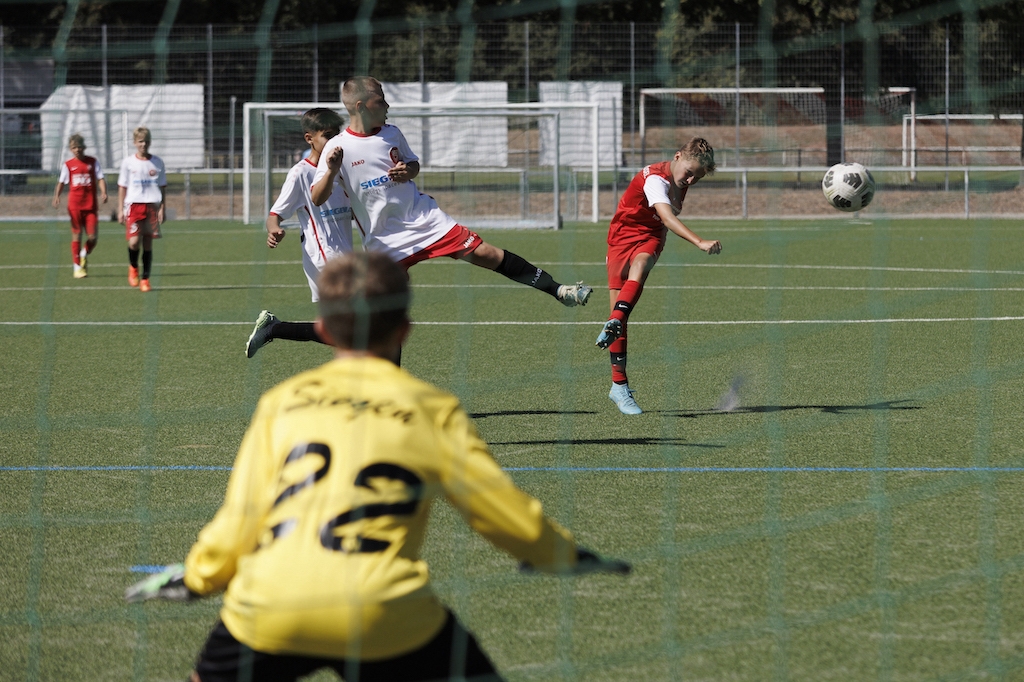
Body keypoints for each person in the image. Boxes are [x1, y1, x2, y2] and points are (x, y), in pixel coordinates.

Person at [126, 251, 629, 682]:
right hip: (382, 613)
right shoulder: (432, 409)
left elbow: (241, 515)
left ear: (324, 329)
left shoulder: (282, 402)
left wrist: (198, 578)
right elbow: (499, 511)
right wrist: (557, 554)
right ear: (405, 330)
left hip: (270, 607)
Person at [309, 76, 592, 307]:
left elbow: (413, 164)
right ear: (360, 106)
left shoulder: (391, 133)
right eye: (380, 100)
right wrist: (332, 171)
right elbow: (317, 198)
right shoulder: (337, 148)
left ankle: (558, 290)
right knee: (386, 311)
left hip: (424, 219)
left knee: (486, 253)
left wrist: (408, 171)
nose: (387, 105)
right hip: (384, 239)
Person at [595, 138, 723, 415]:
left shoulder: (680, 179)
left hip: (651, 237)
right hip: (621, 238)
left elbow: (660, 223)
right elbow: (666, 217)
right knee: (619, 314)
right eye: (689, 172)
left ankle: (616, 320)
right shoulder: (655, 179)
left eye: (697, 178)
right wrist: (699, 241)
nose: (690, 180)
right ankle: (618, 386)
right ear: (677, 156)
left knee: (641, 265)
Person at [245, 108, 353, 359]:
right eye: (328, 136)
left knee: (344, 333)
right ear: (309, 139)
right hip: (323, 256)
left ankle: (273, 328)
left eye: (337, 135)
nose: (335, 141)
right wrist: (274, 230)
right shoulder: (301, 173)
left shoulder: (343, 167)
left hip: (346, 254)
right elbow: (275, 215)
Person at [52, 133, 108, 279]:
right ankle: (77, 267)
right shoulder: (68, 165)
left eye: (79, 147)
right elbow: (61, 182)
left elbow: (100, 178)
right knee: (77, 234)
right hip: (75, 206)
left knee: (93, 237)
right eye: (74, 147)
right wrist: (57, 196)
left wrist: (103, 192)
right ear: (71, 149)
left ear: (84, 147)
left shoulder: (92, 162)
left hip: (90, 206)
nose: (77, 150)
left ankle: (83, 254)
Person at [117, 126, 166, 292]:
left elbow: (162, 187)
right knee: (134, 242)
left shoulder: (157, 162)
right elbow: (122, 187)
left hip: (152, 206)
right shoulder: (128, 163)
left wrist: (162, 208)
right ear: (134, 143)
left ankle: (145, 279)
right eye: (140, 141)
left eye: (146, 141)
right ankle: (133, 267)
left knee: (148, 243)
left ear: (150, 142)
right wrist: (120, 209)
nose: (143, 144)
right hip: (134, 206)